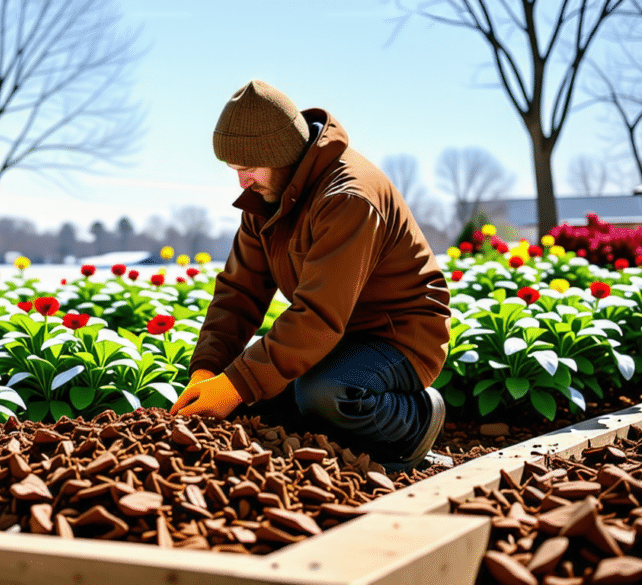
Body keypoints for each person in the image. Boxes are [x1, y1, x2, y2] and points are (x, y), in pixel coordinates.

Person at [169, 79, 451, 471]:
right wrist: (209, 369)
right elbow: (239, 292)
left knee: (324, 394)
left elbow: (318, 313)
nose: (241, 182)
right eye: (233, 169)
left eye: (248, 167)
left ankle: (416, 420)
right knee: (259, 401)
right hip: (335, 336)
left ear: (281, 153)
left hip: (399, 335)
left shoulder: (348, 198)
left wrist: (236, 384)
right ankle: (340, 424)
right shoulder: (266, 200)